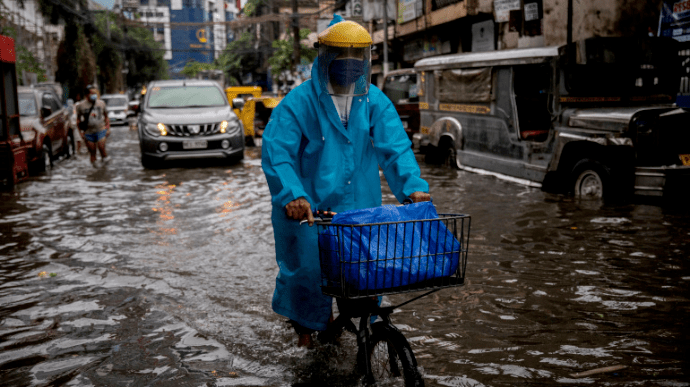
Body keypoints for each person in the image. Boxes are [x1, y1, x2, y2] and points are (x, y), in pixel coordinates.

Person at [262, 15, 431, 348]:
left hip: (358, 213)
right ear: (324, 55)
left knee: (366, 280)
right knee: (309, 282)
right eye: (342, 54)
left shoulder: (373, 100)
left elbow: (395, 147)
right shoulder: (298, 103)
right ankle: (306, 341)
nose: (350, 63)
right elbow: (277, 154)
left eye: (358, 55)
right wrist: (292, 195)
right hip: (309, 213)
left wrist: (413, 186)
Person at [76, 86, 110, 165]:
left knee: (101, 148)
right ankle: (95, 169)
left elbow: (106, 116)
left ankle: (105, 166)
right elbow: (78, 120)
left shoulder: (101, 103)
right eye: (92, 93)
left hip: (100, 129)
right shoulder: (81, 106)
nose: (94, 95)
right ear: (87, 95)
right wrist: (80, 132)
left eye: (95, 93)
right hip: (88, 132)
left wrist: (107, 127)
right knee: (92, 152)